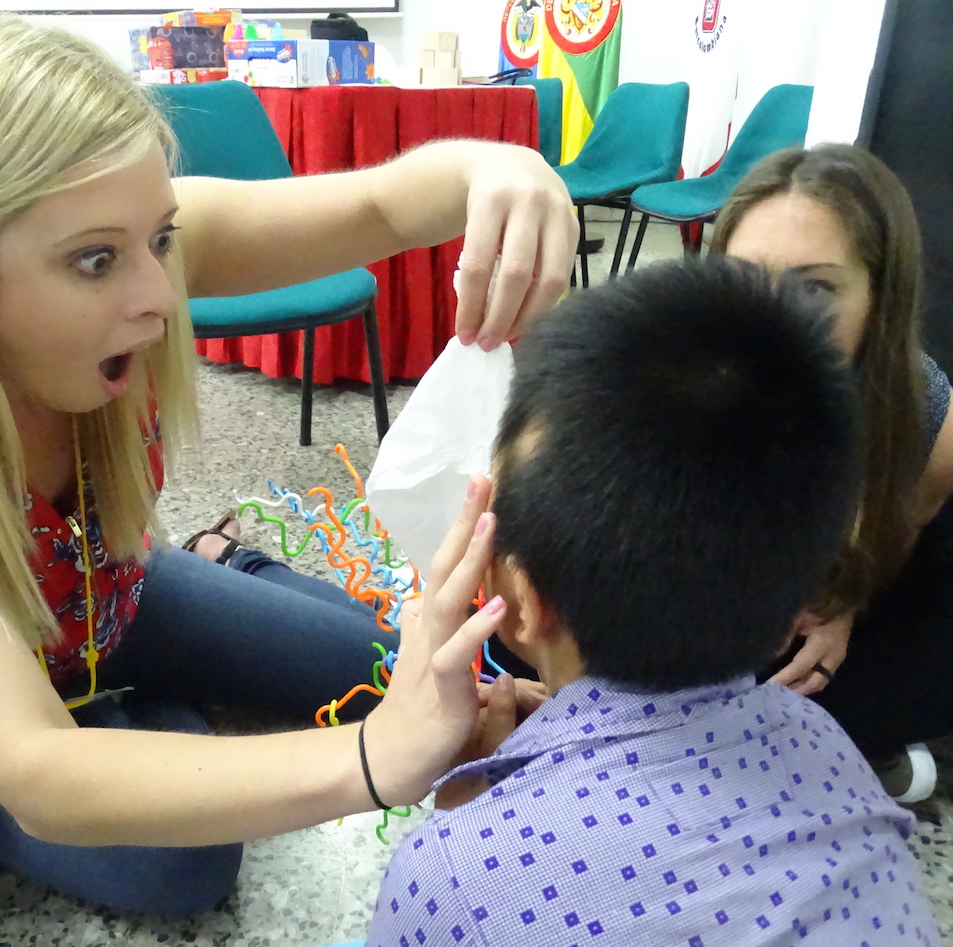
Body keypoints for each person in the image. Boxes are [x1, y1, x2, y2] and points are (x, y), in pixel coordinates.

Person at [0, 16, 579, 916]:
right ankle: (140, 714)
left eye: (161, 240)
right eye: (95, 261)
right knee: (182, 865)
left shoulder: (131, 255)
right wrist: (376, 759)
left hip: (121, 590)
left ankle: (224, 583)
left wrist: (502, 171)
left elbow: (382, 207)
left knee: (399, 678)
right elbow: (35, 769)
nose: (159, 297)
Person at [364, 257, 939, 947]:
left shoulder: (449, 879)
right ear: (804, 600)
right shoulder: (828, 744)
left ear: (519, 597)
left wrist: (467, 818)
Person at [711, 143, 953, 801]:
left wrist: (844, 603)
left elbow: (892, 531)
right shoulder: (675, 378)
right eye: (743, 278)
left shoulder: (926, 415)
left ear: (881, 297)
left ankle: (858, 742)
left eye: (814, 287)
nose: (769, 318)